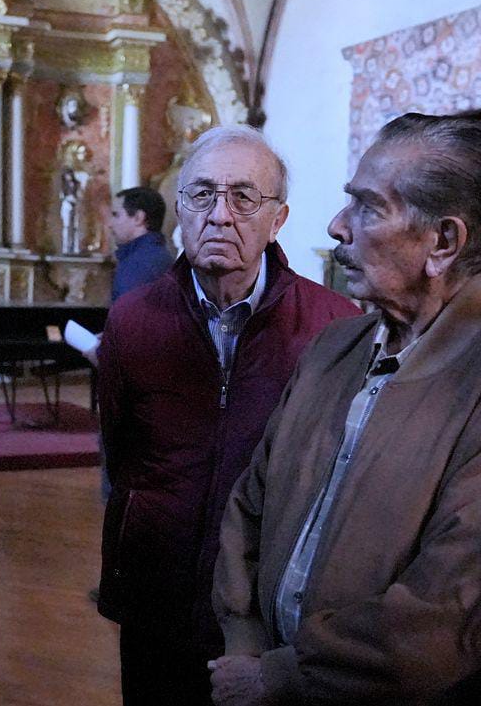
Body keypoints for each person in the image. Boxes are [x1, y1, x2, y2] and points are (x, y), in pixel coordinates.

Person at [209, 113, 481, 705]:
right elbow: (249, 503)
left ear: (443, 243)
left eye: (366, 207)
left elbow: (446, 610)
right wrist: (242, 639)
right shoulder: (334, 346)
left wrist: (283, 676)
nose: (336, 227)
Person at [96, 124, 359, 706]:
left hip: (268, 600)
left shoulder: (334, 326)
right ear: (179, 212)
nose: (220, 215)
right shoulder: (132, 320)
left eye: (243, 196)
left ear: (278, 219)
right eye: (201, 195)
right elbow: (122, 452)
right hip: (156, 589)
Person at [107, 186, 175, 303]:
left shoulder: (139, 266)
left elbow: (127, 318)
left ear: (138, 218)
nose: (110, 224)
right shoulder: (155, 257)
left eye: (116, 215)